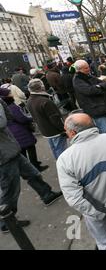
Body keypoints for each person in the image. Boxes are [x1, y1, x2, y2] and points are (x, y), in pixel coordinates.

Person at [57, 113, 106, 250]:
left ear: (72, 132)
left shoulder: (65, 159)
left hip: (96, 213)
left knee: (105, 243)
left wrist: (104, 213)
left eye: (66, 131)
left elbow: (74, 197)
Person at [0, 99, 62, 233]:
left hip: (11, 149)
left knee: (33, 174)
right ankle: (6, 221)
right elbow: (2, 122)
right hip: (3, 157)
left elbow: (9, 116)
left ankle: (47, 194)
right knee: (10, 189)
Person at [0, 88, 47, 172]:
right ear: (6, 96)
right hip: (20, 130)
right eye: (9, 93)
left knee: (22, 151)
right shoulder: (11, 106)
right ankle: (35, 166)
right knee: (30, 147)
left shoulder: (4, 107)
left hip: (12, 131)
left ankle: (28, 168)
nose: (11, 93)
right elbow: (21, 118)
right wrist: (30, 118)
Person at [26, 79, 67, 160]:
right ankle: (65, 166)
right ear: (41, 87)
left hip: (45, 131)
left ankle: (60, 164)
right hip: (55, 131)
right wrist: (63, 129)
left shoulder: (29, 100)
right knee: (61, 150)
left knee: (55, 149)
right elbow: (55, 118)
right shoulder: (45, 101)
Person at [72, 60, 106, 133]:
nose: (88, 69)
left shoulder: (88, 76)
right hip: (95, 109)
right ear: (79, 70)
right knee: (104, 131)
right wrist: (100, 87)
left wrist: (98, 86)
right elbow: (90, 91)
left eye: (88, 67)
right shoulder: (77, 80)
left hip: (103, 106)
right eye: (86, 68)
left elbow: (104, 83)